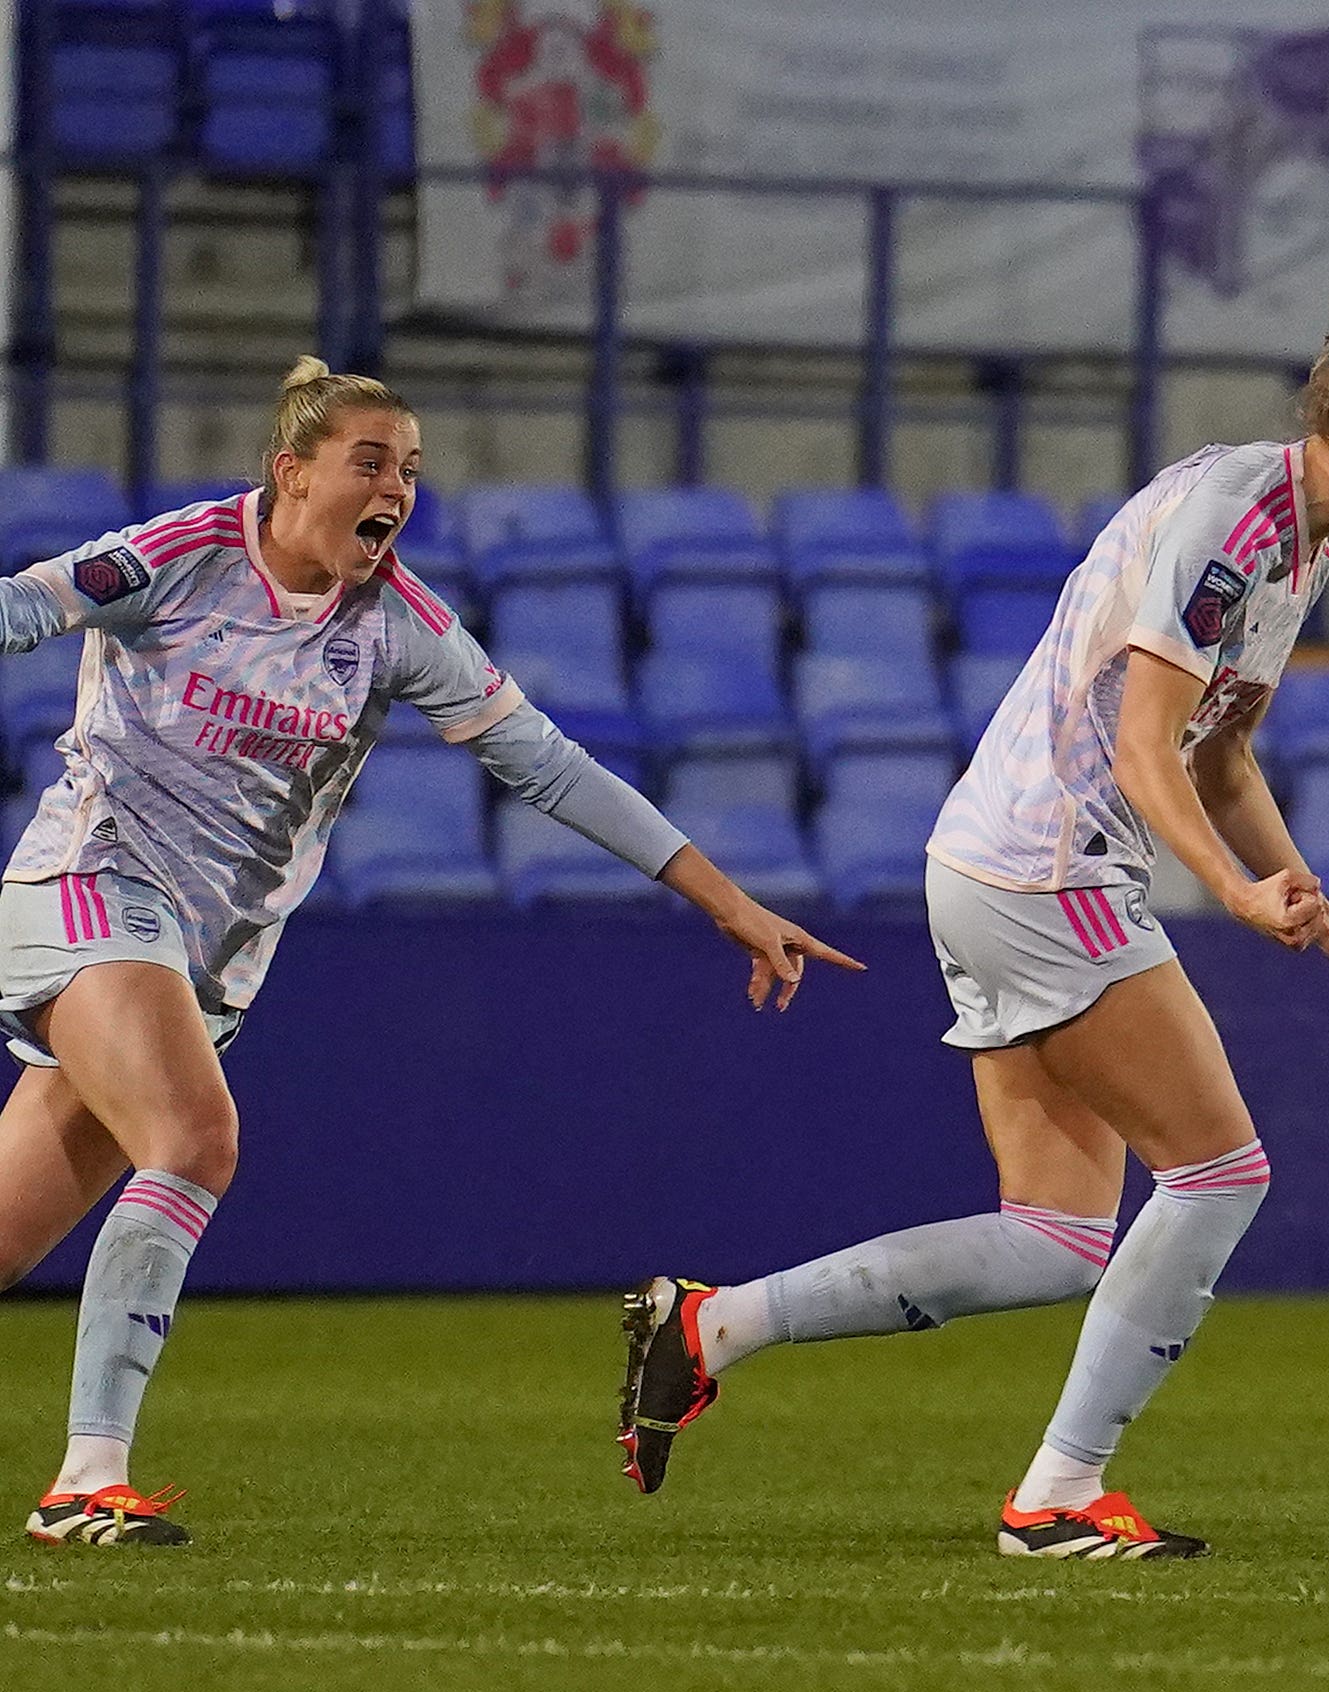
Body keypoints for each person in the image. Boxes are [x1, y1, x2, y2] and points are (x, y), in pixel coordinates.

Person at [618, 277, 1329, 1558]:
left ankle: (711, 1324)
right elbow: (1146, 749)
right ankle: (1058, 1494)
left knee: (1058, 1232)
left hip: (1005, 861)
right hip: (1049, 866)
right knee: (1218, 1171)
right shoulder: (1231, 521)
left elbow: (1219, 752)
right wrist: (1235, 893)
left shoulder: (1292, 539)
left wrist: (1313, 904)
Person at [0, 358, 858, 1546]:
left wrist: (722, 896)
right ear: (290, 470)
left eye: (409, 469)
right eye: (370, 461)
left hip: (209, 965)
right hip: (90, 886)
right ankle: (86, 1480)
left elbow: (546, 762)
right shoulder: (180, 554)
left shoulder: (395, 619)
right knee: (195, 1138)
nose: (396, 487)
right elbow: (26, 606)